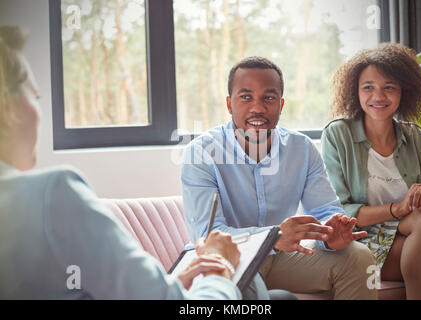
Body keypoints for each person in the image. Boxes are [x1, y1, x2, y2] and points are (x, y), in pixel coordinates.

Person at [0, 25, 242, 300]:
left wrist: (168, 284)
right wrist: (220, 271)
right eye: (35, 95)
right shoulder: (52, 194)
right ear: (9, 105)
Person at [181, 56, 377, 299]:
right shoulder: (200, 153)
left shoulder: (302, 148)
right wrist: (273, 238)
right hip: (228, 262)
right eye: (246, 97)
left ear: (281, 105)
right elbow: (208, 235)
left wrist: (330, 233)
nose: (258, 108)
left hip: (282, 258)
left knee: (359, 257)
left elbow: (325, 210)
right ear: (229, 104)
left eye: (268, 98)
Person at [321, 42, 421, 299]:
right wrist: (396, 209)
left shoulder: (414, 135)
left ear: (404, 91)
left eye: (389, 87)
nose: (378, 97)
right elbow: (339, 209)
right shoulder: (338, 135)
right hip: (361, 239)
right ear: (355, 92)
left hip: (410, 230)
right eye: (368, 87)